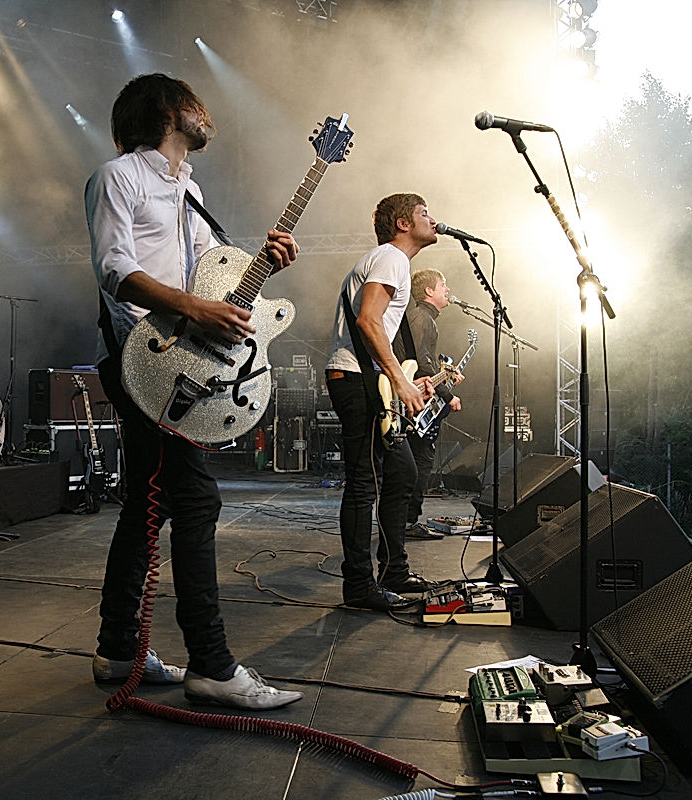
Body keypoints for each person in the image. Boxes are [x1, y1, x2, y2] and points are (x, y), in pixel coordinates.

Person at [85, 73, 302, 710]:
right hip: (141, 361)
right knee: (197, 500)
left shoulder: (192, 191)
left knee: (145, 509)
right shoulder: (118, 175)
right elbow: (115, 270)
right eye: (194, 103)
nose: (206, 113)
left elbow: (214, 282)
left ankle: (118, 649)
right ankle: (210, 664)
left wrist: (261, 264)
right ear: (167, 110)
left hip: (183, 365)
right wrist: (193, 312)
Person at [325, 193, 436, 612]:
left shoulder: (390, 261)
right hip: (358, 379)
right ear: (403, 223)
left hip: (368, 378)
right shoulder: (392, 258)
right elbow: (368, 321)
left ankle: (393, 570)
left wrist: (406, 379)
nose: (434, 219)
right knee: (362, 485)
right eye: (424, 212)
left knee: (403, 472)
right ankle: (358, 587)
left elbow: (378, 330)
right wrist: (397, 381)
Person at [402, 268, 464, 540]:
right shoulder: (420, 318)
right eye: (443, 284)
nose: (447, 289)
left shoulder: (426, 319)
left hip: (421, 399)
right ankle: (406, 522)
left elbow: (427, 362)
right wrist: (448, 395)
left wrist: (447, 373)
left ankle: (408, 521)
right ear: (429, 291)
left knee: (421, 463)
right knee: (418, 464)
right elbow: (418, 363)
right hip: (412, 402)